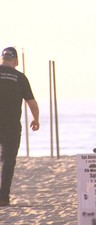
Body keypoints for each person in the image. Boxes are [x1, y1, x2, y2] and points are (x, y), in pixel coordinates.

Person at [0, 47, 40, 206]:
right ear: (16, 61)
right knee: (8, 162)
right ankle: (3, 198)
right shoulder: (20, 77)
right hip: (11, 126)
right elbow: (32, 103)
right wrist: (35, 119)